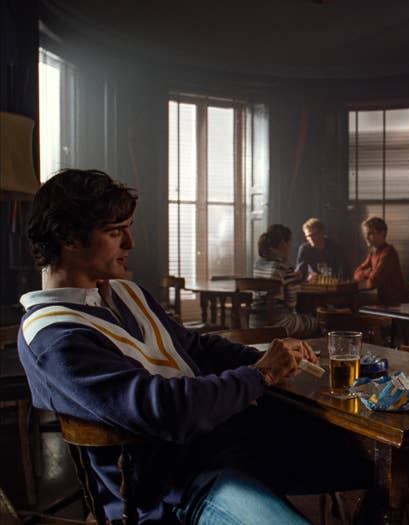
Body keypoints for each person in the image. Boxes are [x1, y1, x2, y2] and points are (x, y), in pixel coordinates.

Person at [17, 169, 326, 525]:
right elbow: (165, 409)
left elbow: (195, 347)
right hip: (172, 491)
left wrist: (269, 359)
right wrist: (262, 374)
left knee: (371, 459)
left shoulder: (123, 291)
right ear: (69, 238)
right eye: (115, 232)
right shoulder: (53, 337)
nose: (130, 243)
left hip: (228, 447)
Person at [253, 224, 318, 337]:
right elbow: (291, 303)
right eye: (289, 243)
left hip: (255, 322)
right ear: (283, 243)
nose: (289, 247)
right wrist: (295, 281)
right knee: (316, 323)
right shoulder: (283, 267)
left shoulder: (258, 264)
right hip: (278, 323)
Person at [353, 216, 408, 304]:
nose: (366, 237)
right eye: (365, 234)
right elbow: (356, 274)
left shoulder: (389, 253)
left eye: (370, 233)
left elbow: (373, 282)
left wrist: (367, 276)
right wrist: (368, 273)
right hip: (382, 300)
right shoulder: (373, 252)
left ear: (382, 233)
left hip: (394, 303)